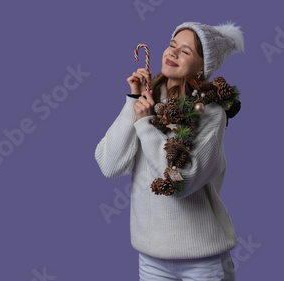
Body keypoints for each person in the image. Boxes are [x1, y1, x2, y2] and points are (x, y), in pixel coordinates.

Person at [95, 21, 244, 280]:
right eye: (172, 45)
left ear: (202, 67)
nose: (172, 53)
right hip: (151, 258)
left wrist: (144, 124)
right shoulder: (147, 102)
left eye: (185, 51)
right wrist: (133, 102)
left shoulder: (210, 113)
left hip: (203, 261)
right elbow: (110, 165)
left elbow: (181, 182)